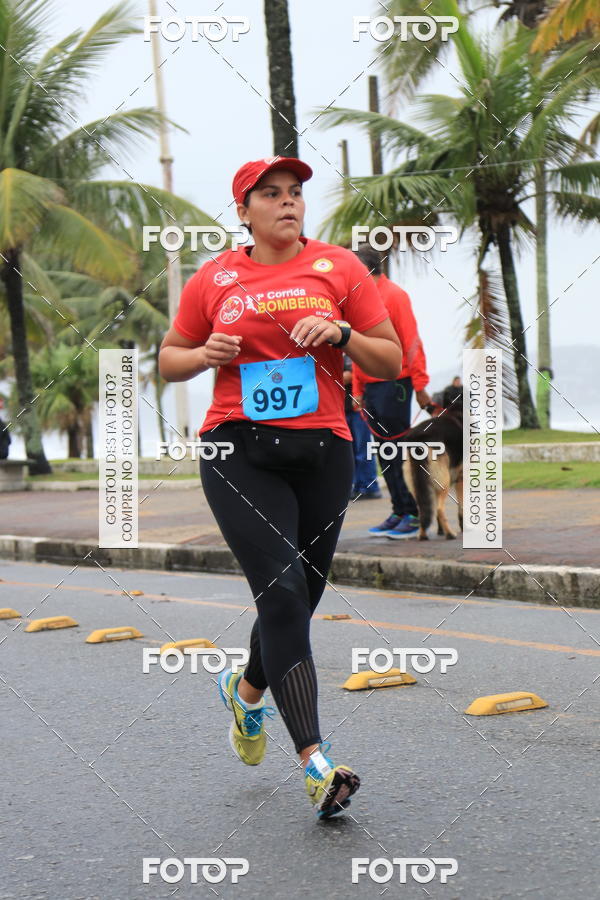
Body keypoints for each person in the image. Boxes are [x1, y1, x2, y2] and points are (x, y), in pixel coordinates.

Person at [158, 157, 402, 819]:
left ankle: (244, 693)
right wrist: (205, 355)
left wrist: (345, 334)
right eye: (270, 194)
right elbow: (169, 357)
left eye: (295, 193)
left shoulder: (340, 269)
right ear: (244, 210)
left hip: (324, 450)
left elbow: (391, 358)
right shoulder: (215, 278)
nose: (287, 203)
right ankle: (316, 763)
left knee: (301, 596)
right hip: (238, 451)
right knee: (284, 594)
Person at [351, 246, 431, 540]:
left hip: (396, 382)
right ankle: (398, 509)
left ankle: (413, 512)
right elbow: (358, 348)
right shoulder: (358, 299)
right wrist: (358, 390)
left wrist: (421, 385)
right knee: (384, 452)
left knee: (397, 449)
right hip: (371, 386)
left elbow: (411, 342)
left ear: (365, 268)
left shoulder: (394, 295)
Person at [343, 353, 382, 499]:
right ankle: (358, 487)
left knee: (363, 449)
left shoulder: (350, 353)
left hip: (359, 408)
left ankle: (370, 486)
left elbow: (349, 375)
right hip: (345, 408)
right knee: (352, 451)